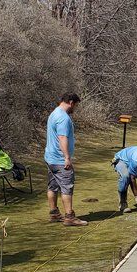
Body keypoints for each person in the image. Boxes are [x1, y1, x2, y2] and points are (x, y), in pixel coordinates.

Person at [45, 93, 87, 226]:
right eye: (75, 105)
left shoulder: (54, 113)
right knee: (66, 187)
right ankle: (69, 217)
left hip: (50, 159)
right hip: (59, 160)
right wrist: (67, 158)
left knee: (52, 186)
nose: (75, 108)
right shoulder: (63, 118)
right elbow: (62, 138)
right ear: (71, 102)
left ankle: (54, 214)